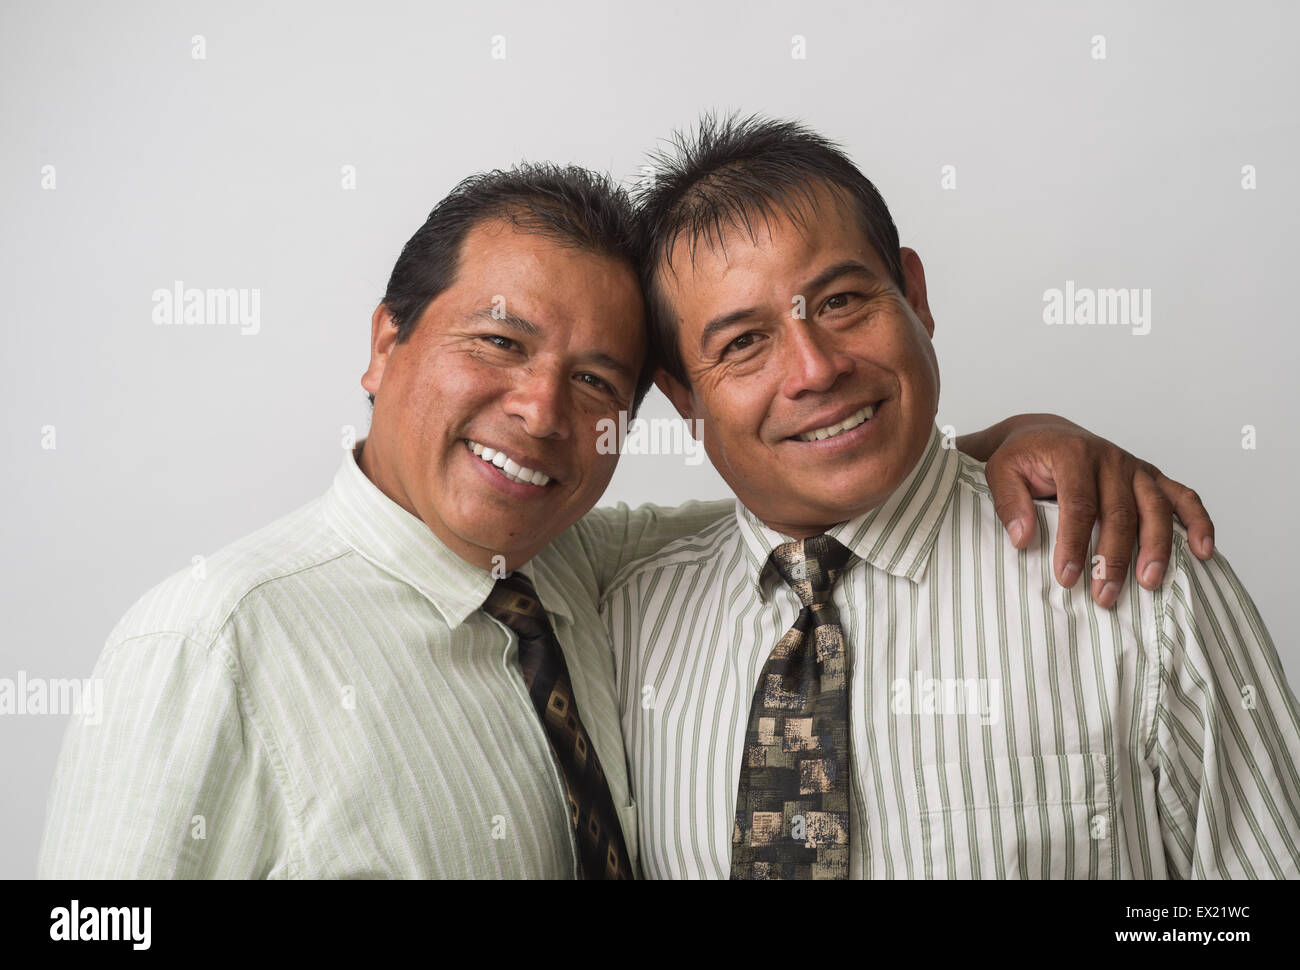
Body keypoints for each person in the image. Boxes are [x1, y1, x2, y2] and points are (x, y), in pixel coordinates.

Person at [40, 161, 1214, 879]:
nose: (542, 411)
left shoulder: (595, 577)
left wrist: (1010, 442)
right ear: (385, 343)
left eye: (596, 379)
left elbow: (809, 494)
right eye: (497, 343)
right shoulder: (214, 639)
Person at [605, 115, 1300, 879]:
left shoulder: (1140, 580)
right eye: (743, 343)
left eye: (839, 301)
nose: (813, 369)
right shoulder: (621, 631)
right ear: (681, 398)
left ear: (915, 295)